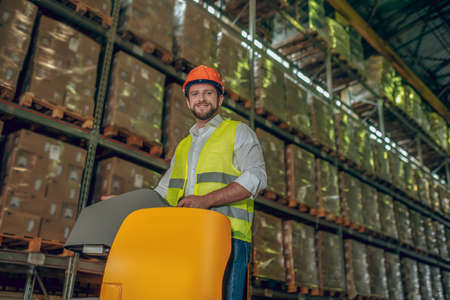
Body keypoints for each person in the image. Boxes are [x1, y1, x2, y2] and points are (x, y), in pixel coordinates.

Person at [154, 65, 267, 300]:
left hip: (229, 238)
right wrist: (127, 205)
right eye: (195, 94)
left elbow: (257, 177)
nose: (201, 99)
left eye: (208, 93)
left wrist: (206, 201)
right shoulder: (184, 146)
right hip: (185, 237)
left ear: (220, 98)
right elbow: (163, 191)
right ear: (187, 102)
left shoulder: (239, 132)